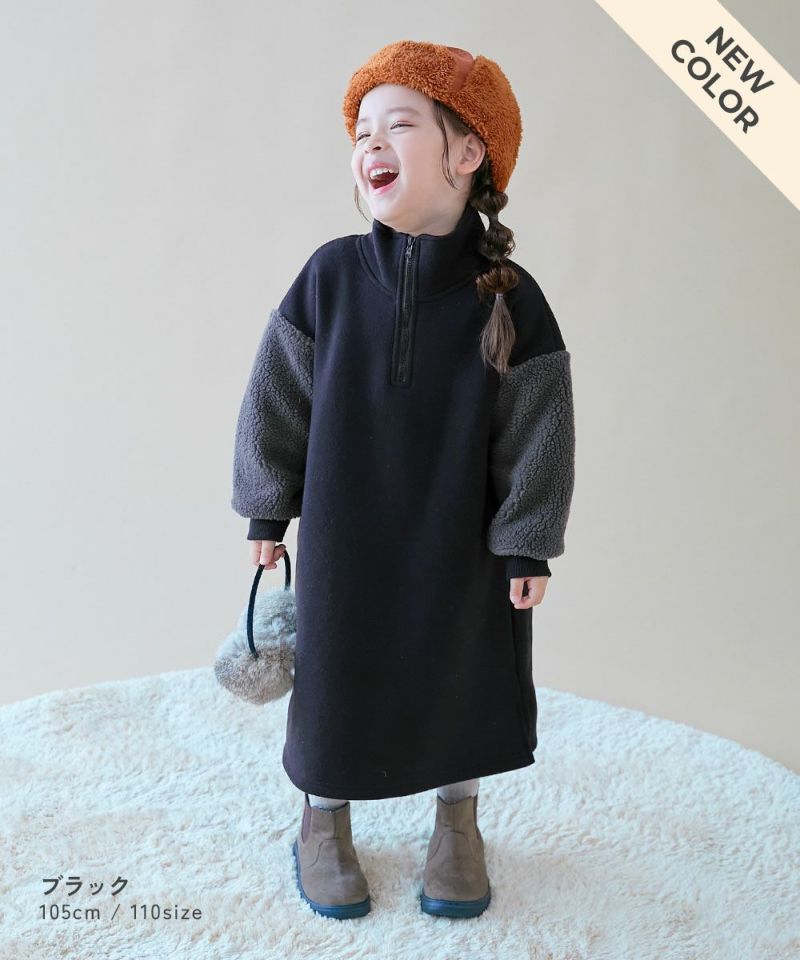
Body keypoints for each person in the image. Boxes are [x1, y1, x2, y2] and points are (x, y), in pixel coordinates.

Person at [231, 40, 576, 921]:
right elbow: (277, 397)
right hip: (346, 532)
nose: (372, 144)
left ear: (468, 154)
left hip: (462, 537)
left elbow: (538, 426)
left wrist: (528, 540)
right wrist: (268, 510)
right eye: (363, 133)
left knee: (463, 670)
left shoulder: (510, 297)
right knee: (334, 675)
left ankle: (457, 822)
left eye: (400, 125)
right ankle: (323, 818)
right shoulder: (330, 278)